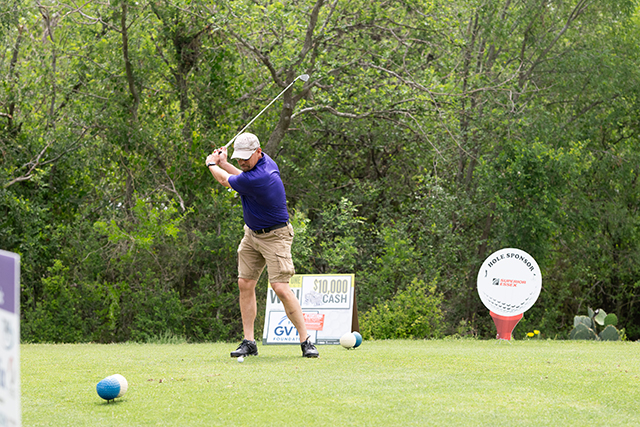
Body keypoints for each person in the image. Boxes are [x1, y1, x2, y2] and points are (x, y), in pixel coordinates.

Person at [205, 132, 319, 358]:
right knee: (245, 283)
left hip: (276, 236)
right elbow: (240, 177)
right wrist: (225, 163)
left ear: (258, 152)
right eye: (239, 158)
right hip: (252, 234)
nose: (242, 162)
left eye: (246, 157)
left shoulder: (263, 175)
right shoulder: (257, 166)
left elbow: (225, 180)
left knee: (280, 288)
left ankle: (306, 341)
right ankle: (249, 342)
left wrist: (212, 163)